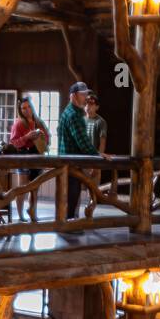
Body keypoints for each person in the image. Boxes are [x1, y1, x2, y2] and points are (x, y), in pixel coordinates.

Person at [58, 81, 99, 221]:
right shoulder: (74, 115)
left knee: (70, 195)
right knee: (72, 194)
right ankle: (69, 224)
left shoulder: (68, 111)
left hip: (67, 162)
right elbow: (83, 142)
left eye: (86, 94)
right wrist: (98, 155)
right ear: (74, 96)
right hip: (72, 163)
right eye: (83, 95)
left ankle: (67, 222)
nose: (86, 98)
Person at [8, 95, 50, 221]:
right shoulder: (18, 124)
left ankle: (33, 212)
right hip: (24, 157)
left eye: (28, 107)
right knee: (23, 187)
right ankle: (21, 215)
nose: (26, 110)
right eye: (23, 108)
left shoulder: (39, 122)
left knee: (35, 187)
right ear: (20, 110)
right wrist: (27, 137)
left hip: (38, 156)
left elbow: (47, 139)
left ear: (32, 108)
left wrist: (42, 137)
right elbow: (13, 143)